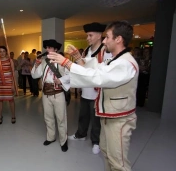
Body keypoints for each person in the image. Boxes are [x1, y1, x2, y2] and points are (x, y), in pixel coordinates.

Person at [47, 21, 138, 171]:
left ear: (118, 39)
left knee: (118, 163)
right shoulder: (115, 60)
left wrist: (68, 64)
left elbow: (98, 76)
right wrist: (77, 59)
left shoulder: (126, 63)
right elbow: (94, 66)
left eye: (107, 37)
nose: (104, 40)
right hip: (109, 116)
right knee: (107, 153)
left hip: (119, 119)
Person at [68, 22, 112, 155]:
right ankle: (81, 134)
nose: (88, 38)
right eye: (87, 35)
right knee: (83, 114)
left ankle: (96, 141)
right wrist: (77, 59)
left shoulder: (106, 51)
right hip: (86, 89)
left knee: (96, 118)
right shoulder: (87, 50)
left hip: (97, 91)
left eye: (90, 35)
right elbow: (83, 67)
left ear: (99, 36)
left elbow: (104, 71)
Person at [31, 39, 70, 152]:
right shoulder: (44, 61)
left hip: (58, 94)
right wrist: (36, 64)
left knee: (61, 118)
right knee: (48, 118)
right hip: (46, 94)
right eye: (46, 47)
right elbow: (34, 75)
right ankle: (51, 137)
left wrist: (61, 80)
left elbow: (71, 75)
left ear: (56, 49)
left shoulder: (63, 61)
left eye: (49, 47)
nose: (47, 50)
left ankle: (63, 141)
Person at [0, 46, 16, 125]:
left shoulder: (10, 60)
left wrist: (13, 85)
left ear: (6, 52)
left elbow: (13, 73)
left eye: (3, 51)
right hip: (0, 83)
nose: (2, 53)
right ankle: (0, 116)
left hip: (9, 82)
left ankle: (13, 116)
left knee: (11, 100)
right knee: (0, 100)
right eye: (0, 51)